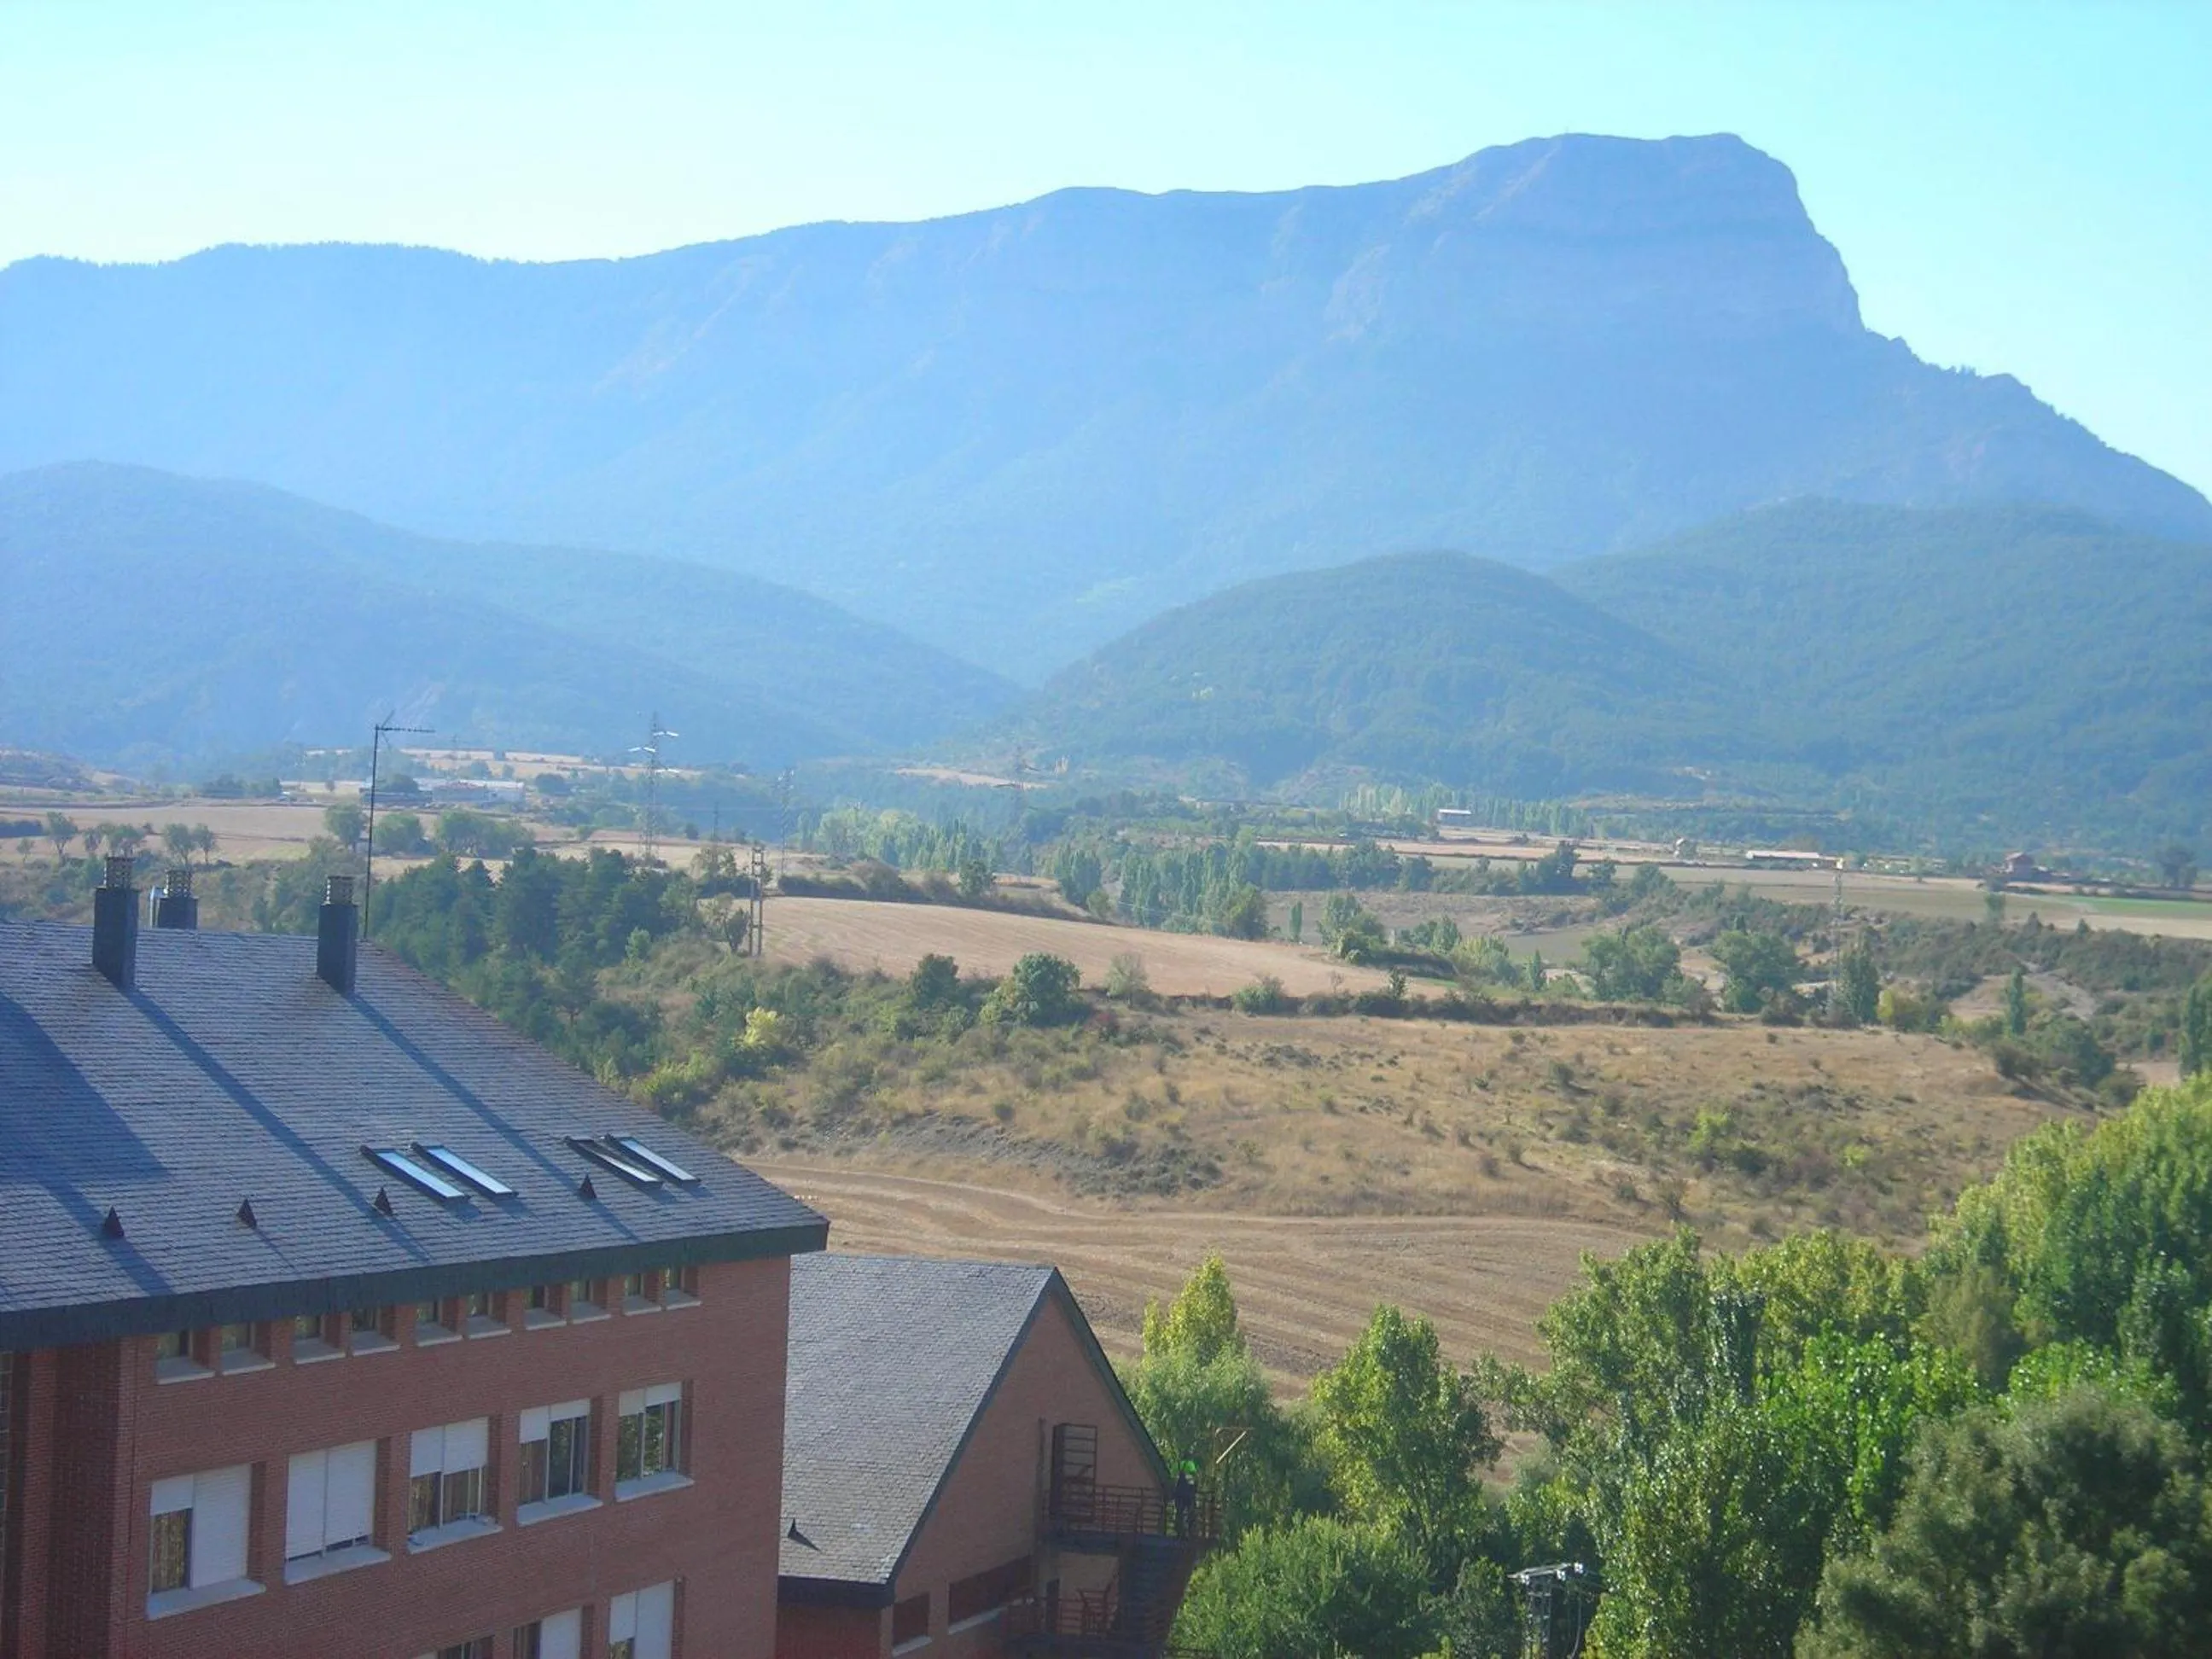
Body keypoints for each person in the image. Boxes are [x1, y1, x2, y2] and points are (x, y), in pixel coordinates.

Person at [1172, 1460, 1198, 1537]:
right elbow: (1194, 1477)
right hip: (1188, 1494)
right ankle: (1190, 1530)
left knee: (1179, 1512)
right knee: (1190, 1511)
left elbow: (1173, 1479)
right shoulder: (1190, 1464)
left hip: (1179, 1494)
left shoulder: (1177, 1465)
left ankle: (1179, 1530)